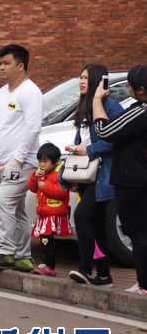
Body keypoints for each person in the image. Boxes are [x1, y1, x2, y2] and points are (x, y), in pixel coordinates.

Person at [65, 64, 123, 287]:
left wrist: (86, 150)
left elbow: (113, 141)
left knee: (82, 217)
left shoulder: (111, 106)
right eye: (80, 77)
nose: (81, 81)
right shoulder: (84, 110)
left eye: (86, 78)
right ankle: (105, 276)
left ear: (99, 81)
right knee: (97, 224)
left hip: (104, 176)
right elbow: (82, 143)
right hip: (87, 176)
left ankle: (85, 269)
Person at [0, 44, 42, 272]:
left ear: (21, 66)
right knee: (16, 210)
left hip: (22, 162)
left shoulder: (30, 92)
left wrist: (17, 160)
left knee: (4, 201)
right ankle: (24, 257)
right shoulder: (1, 93)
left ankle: (6, 252)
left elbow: (32, 129)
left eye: (6, 63)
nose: (1, 67)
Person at [93, 64, 147, 295]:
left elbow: (105, 131)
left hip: (134, 181)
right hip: (139, 179)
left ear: (141, 89)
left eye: (129, 84)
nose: (127, 87)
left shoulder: (141, 110)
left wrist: (97, 100)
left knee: (138, 234)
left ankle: (144, 285)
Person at [28, 143, 71, 277]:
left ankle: (49, 267)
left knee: (46, 240)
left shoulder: (60, 174)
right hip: (44, 213)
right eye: (40, 161)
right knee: (44, 240)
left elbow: (62, 193)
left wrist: (45, 186)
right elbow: (32, 188)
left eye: (45, 161)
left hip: (53, 212)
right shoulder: (42, 173)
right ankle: (47, 264)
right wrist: (34, 177)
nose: (42, 165)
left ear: (56, 161)